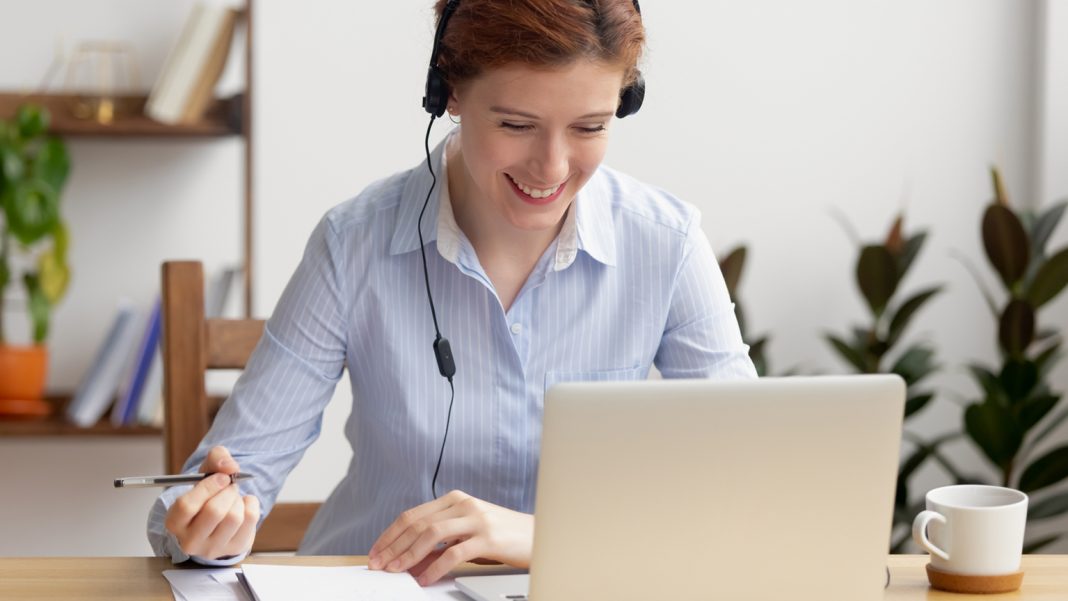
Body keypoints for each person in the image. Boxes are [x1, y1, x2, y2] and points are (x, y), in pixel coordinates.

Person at [148, 0, 756, 587]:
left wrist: (539, 537)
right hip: (375, 584)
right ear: (450, 94)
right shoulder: (354, 241)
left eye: (589, 127)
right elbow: (212, 490)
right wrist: (208, 529)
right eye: (516, 125)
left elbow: (755, 487)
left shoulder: (667, 244)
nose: (551, 166)